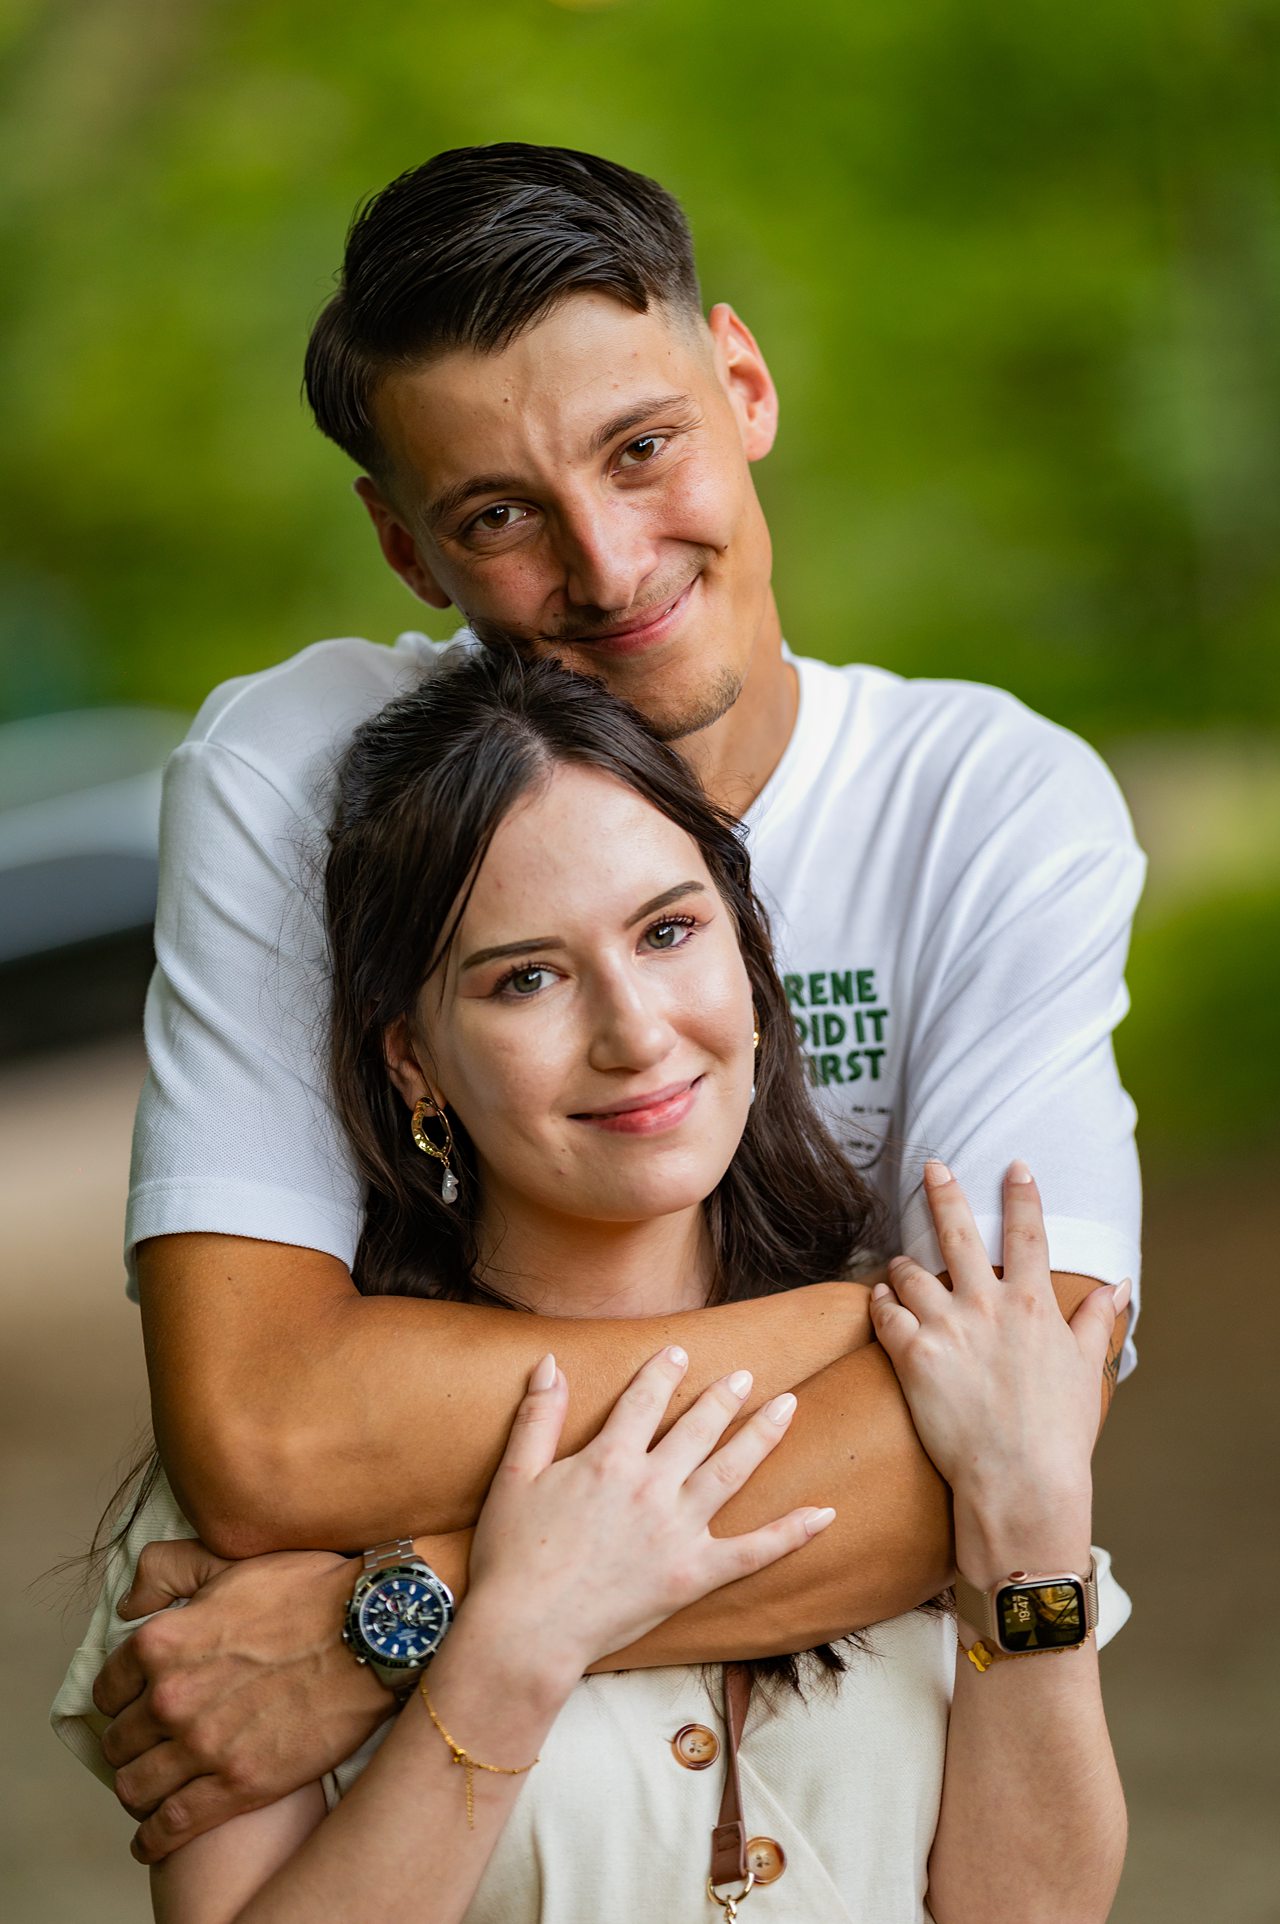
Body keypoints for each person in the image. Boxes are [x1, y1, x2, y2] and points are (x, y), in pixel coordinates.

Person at [74, 143, 1143, 1862]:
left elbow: (995, 1455)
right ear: (404, 546)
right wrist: (867, 1320)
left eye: (643, 446)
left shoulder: (991, 803)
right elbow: (269, 1430)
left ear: (743, 381)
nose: (611, 559)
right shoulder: (306, 780)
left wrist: (393, 1617)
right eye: (498, 513)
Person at [61, 650, 1130, 1922]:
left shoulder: (929, 1394)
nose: (633, 1031)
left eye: (669, 931)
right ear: (414, 1064)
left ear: (747, 955)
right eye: (527, 976)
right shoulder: (268, 1503)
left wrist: (1024, 1532)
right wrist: (510, 1641)